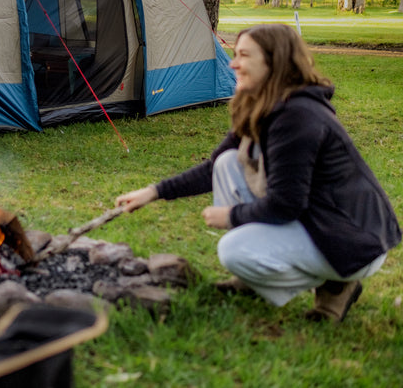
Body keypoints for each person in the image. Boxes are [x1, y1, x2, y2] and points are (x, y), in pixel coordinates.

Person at [115, 23, 400, 322]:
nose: (233, 63)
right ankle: (254, 280)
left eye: (244, 55)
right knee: (227, 163)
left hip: (354, 242)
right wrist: (154, 192)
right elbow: (213, 167)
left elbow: (286, 204)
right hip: (319, 219)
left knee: (234, 251)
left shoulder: (298, 116)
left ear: (274, 61)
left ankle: (337, 283)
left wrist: (231, 216)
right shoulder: (265, 103)